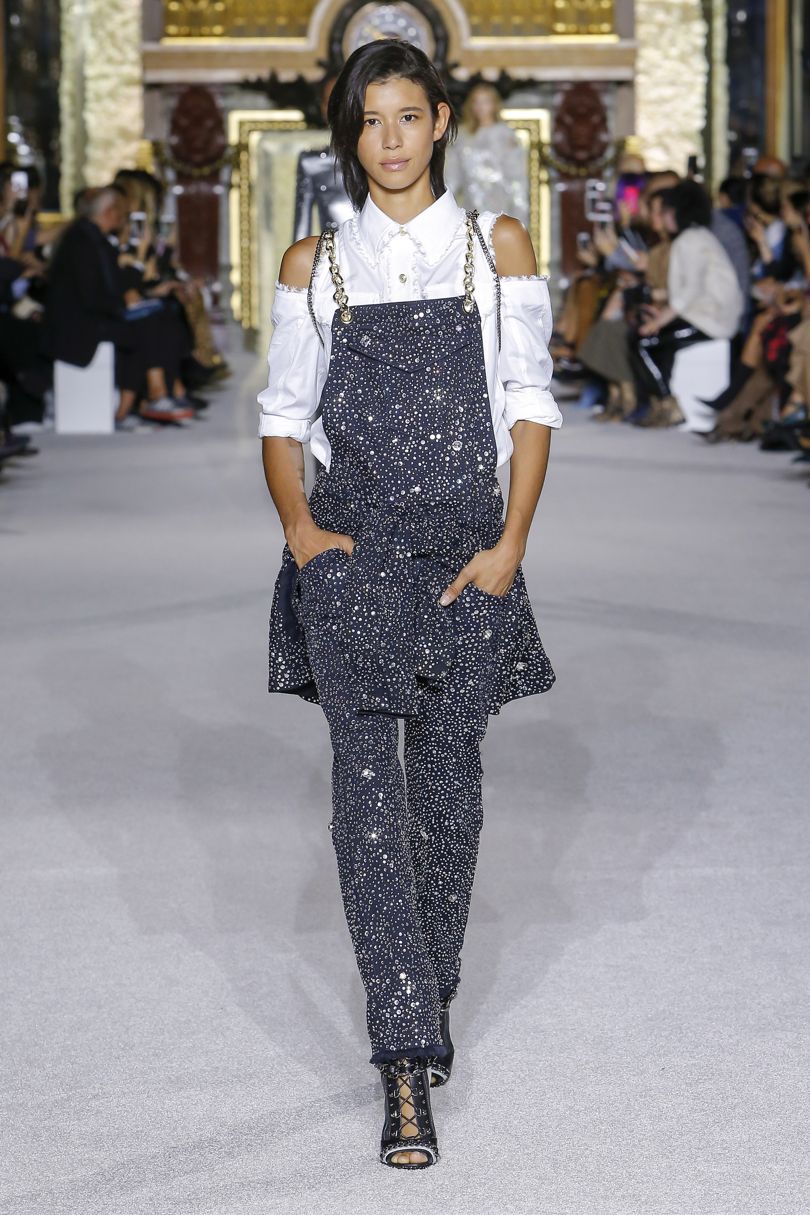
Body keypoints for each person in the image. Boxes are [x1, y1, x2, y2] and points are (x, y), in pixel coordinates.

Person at [258, 39, 561, 1169]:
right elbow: (282, 419)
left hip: (467, 558)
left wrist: (510, 545)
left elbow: (528, 404)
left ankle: (425, 995)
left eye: (405, 116)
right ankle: (401, 1057)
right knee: (367, 798)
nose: (387, 138)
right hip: (353, 561)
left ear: (440, 121)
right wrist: (302, 534)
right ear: (351, 132)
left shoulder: (496, 248)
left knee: (450, 796)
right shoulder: (315, 264)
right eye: (367, 119)